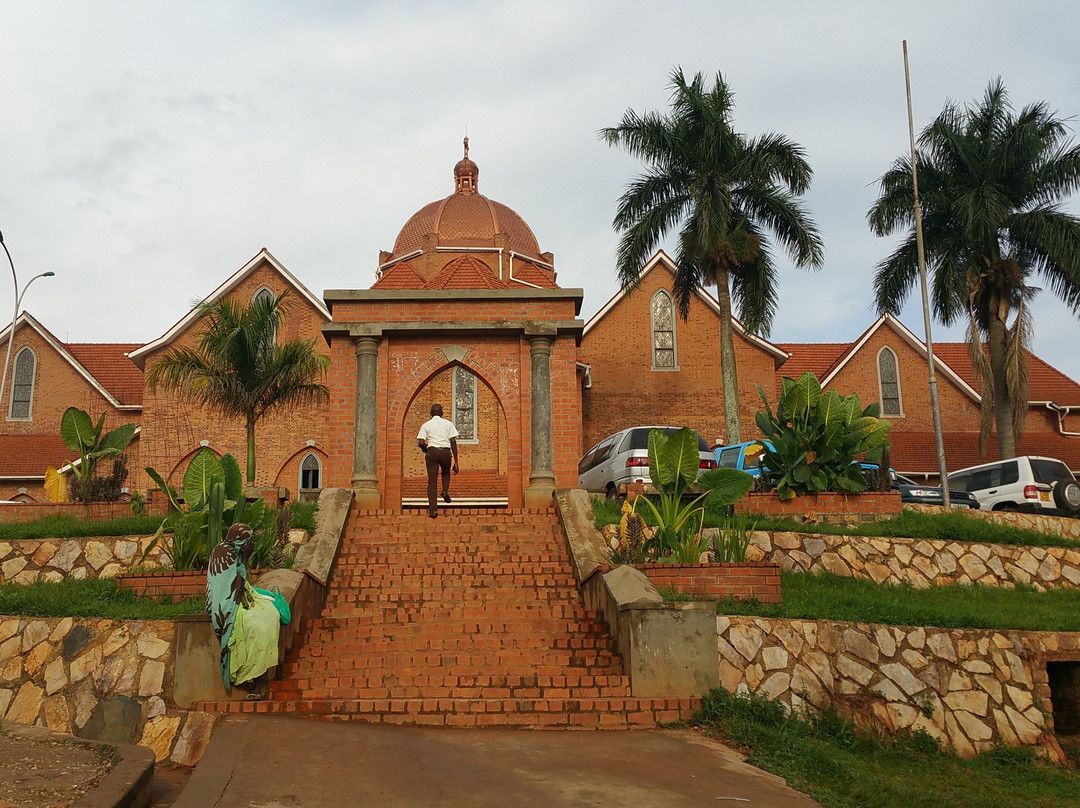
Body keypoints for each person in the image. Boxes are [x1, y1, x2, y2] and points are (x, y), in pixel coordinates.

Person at [205, 523, 280, 699]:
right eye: (248, 540)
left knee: (271, 612)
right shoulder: (226, 553)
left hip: (234, 598)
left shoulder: (227, 548)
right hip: (226, 603)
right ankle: (255, 680)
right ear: (241, 540)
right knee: (260, 625)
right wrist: (245, 559)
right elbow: (234, 585)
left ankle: (257, 679)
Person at [416, 403, 459, 518]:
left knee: (432, 482)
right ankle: (444, 491)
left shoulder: (426, 425)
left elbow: (420, 442)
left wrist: (426, 449)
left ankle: (433, 510)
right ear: (442, 413)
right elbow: (453, 441)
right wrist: (456, 461)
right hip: (445, 452)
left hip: (432, 452)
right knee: (445, 473)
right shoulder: (448, 424)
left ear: (431, 414)